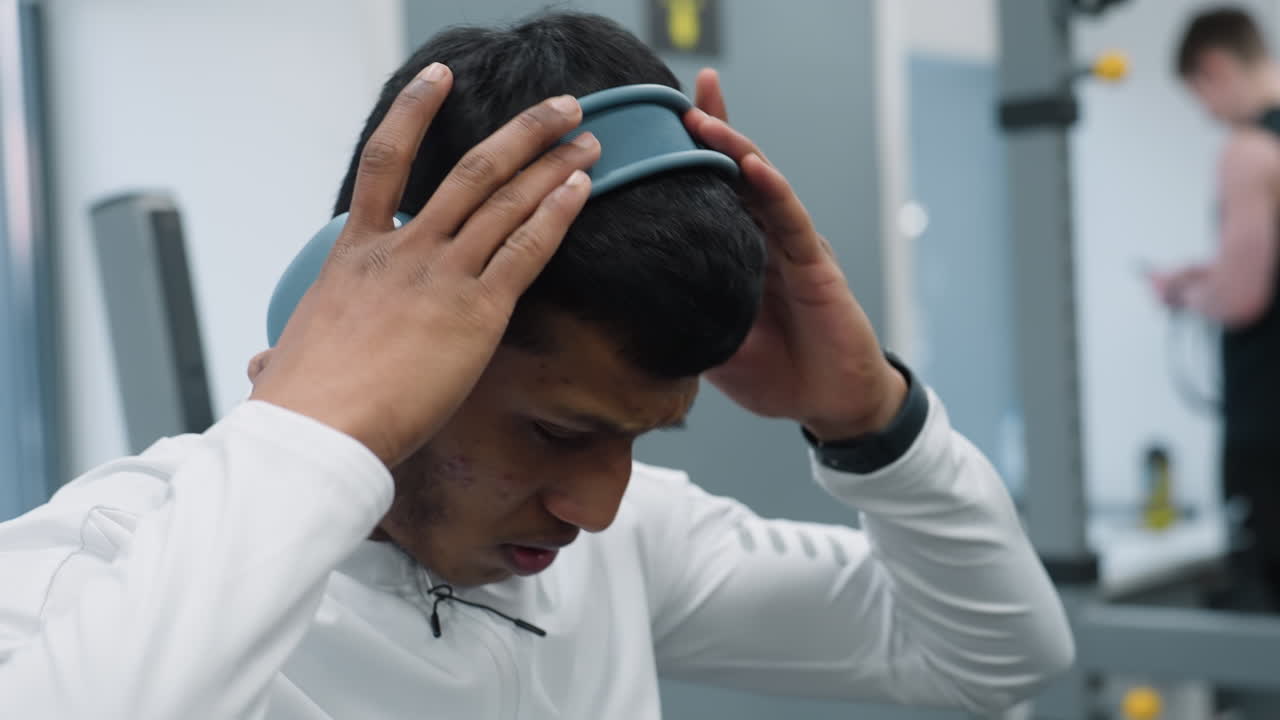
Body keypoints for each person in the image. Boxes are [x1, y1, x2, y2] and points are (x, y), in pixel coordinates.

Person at [0, 12, 1072, 719]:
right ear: (369, 326)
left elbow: (990, 656)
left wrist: (872, 423)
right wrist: (317, 426)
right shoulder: (94, 570)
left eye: (635, 438)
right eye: (556, 433)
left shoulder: (624, 547)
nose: (596, 507)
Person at [1155, 6, 1280, 612]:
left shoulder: (1249, 151)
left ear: (1215, 69)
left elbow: (1244, 299)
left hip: (1267, 427)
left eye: (1199, 97)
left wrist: (1184, 293)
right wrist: (1207, 273)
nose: (1208, 116)